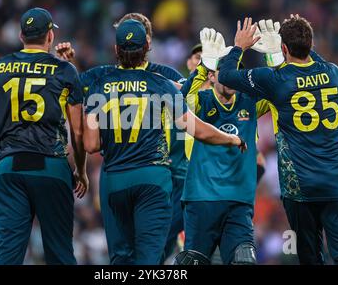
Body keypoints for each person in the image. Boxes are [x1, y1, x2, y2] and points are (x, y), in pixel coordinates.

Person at [83, 19, 246, 265]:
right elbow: (196, 129)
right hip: (152, 179)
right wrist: (231, 138)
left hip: (114, 179)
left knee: (120, 259)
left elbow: (91, 145)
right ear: (148, 46)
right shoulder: (161, 83)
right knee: (150, 260)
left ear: (116, 50)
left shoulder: (99, 84)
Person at [218, 15, 338, 265]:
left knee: (310, 257)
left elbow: (227, 76)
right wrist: (298, 43)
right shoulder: (334, 73)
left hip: (300, 187)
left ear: (284, 48)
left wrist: (239, 47)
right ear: (311, 44)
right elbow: (314, 60)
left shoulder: (275, 79)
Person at [56, 12, 189, 264]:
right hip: (140, 172)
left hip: (161, 171)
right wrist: (69, 67)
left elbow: (73, 98)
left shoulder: (162, 75)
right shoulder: (115, 76)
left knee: (151, 254)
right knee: (130, 255)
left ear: (147, 40)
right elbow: (73, 87)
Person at [0, 7, 88, 265]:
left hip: (9, 168)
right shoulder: (65, 70)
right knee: (60, 253)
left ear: (20, 35)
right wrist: (80, 170)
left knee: (6, 256)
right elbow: (79, 130)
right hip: (52, 166)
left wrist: (14, 124)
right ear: (50, 36)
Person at [177, 28, 270, 265]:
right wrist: (204, 64)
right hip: (201, 200)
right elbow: (176, 105)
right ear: (211, 76)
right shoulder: (201, 101)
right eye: (221, 71)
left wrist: (273, 58)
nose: (229, 77)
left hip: (238, 203)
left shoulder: (251, 103)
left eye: (233, 72)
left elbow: (281, 90)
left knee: (243, 261)